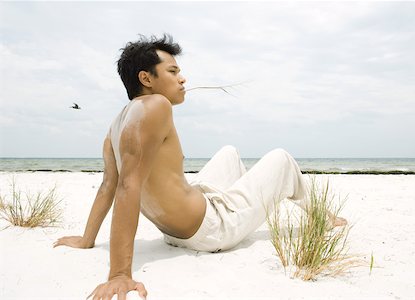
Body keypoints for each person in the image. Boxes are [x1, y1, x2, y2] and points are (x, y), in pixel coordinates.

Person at [54, 34, 347, 300]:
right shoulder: (157, 105)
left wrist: (87, 239)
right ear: (146, 77)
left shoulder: (116, 125)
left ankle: (245, 202)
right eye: (173, 71)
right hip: (212, 229)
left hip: (179, 227)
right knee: (282, 159)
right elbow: (127, 186)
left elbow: (108, 185)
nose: (182, 79)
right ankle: (324, 218)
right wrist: (119, 274)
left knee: (229, 153)